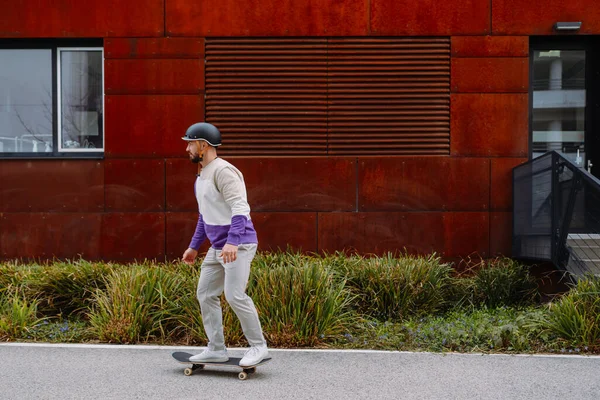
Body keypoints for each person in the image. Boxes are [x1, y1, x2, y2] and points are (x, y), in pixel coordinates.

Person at [181, 122, 269, 367]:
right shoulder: (201, 175)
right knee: (205, 294)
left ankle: (258, 347)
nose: (187, 148)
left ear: (204, 145)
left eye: (190, 143)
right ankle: (216, 349)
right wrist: (194, 246)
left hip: (238, 245)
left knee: (234, 295)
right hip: (218, 246)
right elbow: (204, 216)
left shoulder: (224, 171)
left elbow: (241, 208)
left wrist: (232, 241)